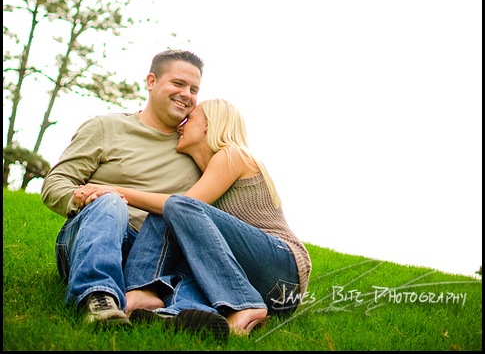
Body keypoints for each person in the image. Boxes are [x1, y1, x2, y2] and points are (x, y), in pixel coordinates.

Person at [75, 98, 313, 336]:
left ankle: (244, 305)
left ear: (208, 125)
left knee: (174, 205)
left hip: (283, 270)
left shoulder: (232, 155)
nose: (181, 125)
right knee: (173, 217)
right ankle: (176, 313)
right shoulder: (208, 177)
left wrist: (117, 190)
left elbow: (182, 205)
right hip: (264, 284)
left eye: (189, 120)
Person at [41, 49, 230, 337]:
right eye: (178, 84)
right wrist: (80, 198)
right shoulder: (106, 128)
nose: (187, 95)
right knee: (111, 202)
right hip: (92, 239)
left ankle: (169, 314)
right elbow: (55, 183)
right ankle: (98, 297)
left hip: (151, 259)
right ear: (151, 81)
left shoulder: (192, 147)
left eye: (194, 89)